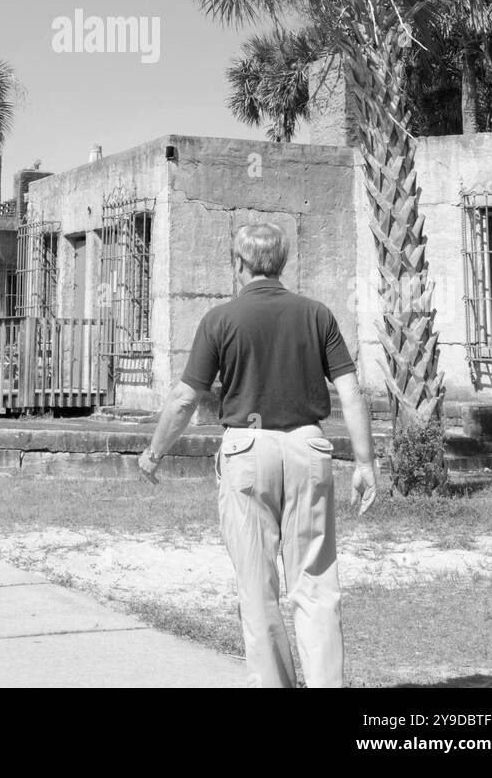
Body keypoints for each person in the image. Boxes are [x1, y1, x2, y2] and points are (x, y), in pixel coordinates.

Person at [138, 221, 378, 689]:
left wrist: (154, 452)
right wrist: (365, 463)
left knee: (257, 586)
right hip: (308, 447)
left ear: (239, 264)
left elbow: (185, 398)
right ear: (282, 263)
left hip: (247, 450)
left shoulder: (220, 319)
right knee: (316, 584)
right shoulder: (317, 314)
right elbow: (351, 391)